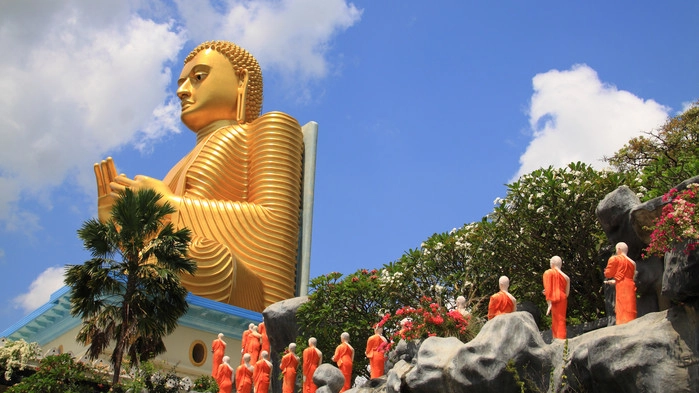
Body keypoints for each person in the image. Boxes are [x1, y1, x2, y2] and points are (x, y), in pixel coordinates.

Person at [93, 40, 305, 312]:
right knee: (156, 259)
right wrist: (123, 226)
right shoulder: (178, 166)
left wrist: (167, 204)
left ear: (241, 80)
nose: (182, 91)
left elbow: (276, 228)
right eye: (181, 83)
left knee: (200, 256)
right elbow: (163, 238)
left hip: (238, 284)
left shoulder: (269, 128)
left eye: (198, 78)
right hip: (177, 268)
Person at [604, 242, 638, 324]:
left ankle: (622, 323)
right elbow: (630, 278)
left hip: (622, 286)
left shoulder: (615, 259)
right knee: (630, 306)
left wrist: (607, 273)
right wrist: (615, 281)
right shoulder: (633, 263)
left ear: (618, 249)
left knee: (621, 305)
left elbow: (608, 274)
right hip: (630, 285)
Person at [543, 256, 570, 339]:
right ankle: (561, 337)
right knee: (561, 319)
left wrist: (549, 303)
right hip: (562, 298)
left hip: (553, 298)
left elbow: (547, 288)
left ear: (553, 263)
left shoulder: (548, 273)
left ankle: (558, 339)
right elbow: (567, 293)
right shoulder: (566, 277)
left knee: (556, 320)